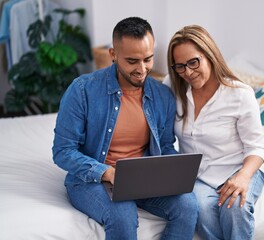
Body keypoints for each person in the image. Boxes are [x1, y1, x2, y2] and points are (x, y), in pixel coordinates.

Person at [52, 17, 198, 240]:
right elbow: (63, 151)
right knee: (123, 216)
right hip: (94, 180)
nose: (142, 69)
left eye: (148, 59)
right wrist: (107, 172)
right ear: (113, 55)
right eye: (132, 61)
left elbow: (166, 145)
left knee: (188, 206)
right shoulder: (82, 90)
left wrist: (175, 171)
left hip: (144, 178)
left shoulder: (162, 95)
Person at [166, 25, 264, 240]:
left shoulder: (239, 94)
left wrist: (242, 177)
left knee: (235, 208)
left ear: (209, 54)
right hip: (197, 175)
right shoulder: (173, 86)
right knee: (201, 209)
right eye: (180, 66)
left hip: (238, 168)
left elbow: (257, 147)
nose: (188, 72)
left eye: (194, 62)